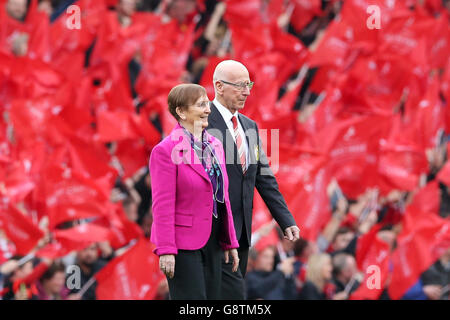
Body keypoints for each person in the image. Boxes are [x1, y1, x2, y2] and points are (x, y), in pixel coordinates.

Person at [206, 59, 300, 299]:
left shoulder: (249, 126)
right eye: (239, 85)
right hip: (211, 232)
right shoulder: (202, 122)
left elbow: (264, 178)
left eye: (248, 84)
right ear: (219, 86)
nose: (247, 91)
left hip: (242, 233)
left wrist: (285, 219)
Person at [149, 83, 239, 300]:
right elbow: (162, 204)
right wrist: (166, 249)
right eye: (201, 105)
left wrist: (230, 240)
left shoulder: (215, 145)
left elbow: (222, 197)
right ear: (181, 112)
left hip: (214, 240)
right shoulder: (165, 150)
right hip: (183, 245)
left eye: (207, 104)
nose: (208, 109)